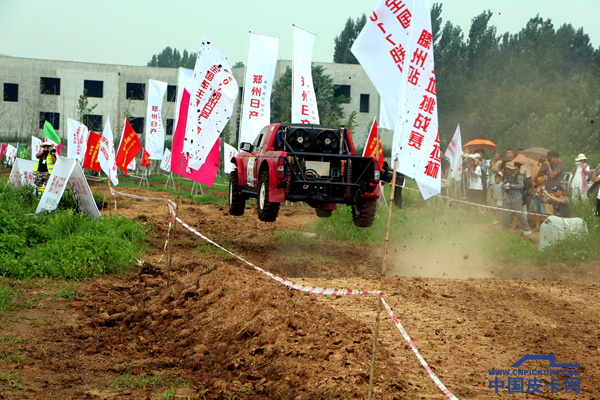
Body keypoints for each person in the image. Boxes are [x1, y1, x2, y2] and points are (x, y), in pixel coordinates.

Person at [534, 150, 563, 231]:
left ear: (556, 158)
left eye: (551, 157)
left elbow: (552, 175)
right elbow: (539, 174)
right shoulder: (548, 166)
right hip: (547, 192)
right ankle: (551, 229)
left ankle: (552, 230)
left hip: (554, 192)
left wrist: (548, 165)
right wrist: (541, 164)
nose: (549, 159)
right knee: (548, 213)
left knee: (551, 213)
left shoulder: (559, 167)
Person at [501, 162, 531, 235]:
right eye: (506, 169)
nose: (507, 171)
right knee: (505, 214)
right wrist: (505, 186)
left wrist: (511, 186)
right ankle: (505, 228)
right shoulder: (506, 177)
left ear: (512, 169)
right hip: (508, 198)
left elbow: (521, 185)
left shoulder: (519, 176)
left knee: (520, 214)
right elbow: (503, 184)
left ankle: (527, 229)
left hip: (516, 198)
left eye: (508, 169)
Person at [465, 154, 483, 221]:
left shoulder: (477, 167)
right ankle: (468, 219)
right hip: (471, 187)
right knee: (468, 204)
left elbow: (474, 175)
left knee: (475, 204)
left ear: (473, 160)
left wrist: (469, 168)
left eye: (470, 160)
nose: (469, 161)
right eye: (468, 160)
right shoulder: (468, 167)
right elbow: (463, 172)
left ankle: (475, 219)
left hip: (477, 188)